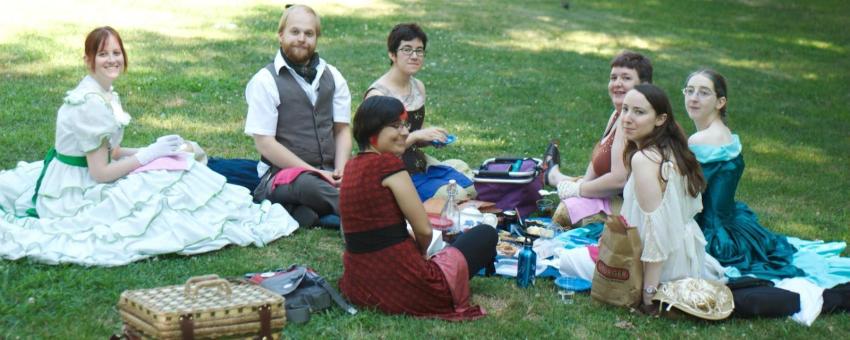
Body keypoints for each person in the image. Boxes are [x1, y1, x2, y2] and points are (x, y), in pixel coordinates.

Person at [0, 26, 298, 266]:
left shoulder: (103, 93)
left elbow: (112, 152)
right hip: (76, 191)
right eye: (103, 54)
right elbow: (101, 172)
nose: (112, 60)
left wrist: (160, 148)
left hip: (89, 172)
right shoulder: (89, 104)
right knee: (163, 188)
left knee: (178, 165)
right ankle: (269, 192)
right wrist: (147, 156)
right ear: (88, 59)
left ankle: (267, 188)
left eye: (117, 52)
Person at [338, 96, 497, 320]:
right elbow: (424, 230)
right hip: (404, 285)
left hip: (360, 284)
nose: (404, 132)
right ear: (372, 131)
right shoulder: (388, 164)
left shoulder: (351, 166)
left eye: (404, 124)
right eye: (395, 126)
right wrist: (420, 253)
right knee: (485, 234)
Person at [684, 69, 803, 279]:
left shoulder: (700, 140)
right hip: (730, 222)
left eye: (703, 92)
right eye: (690, 91)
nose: (693, 98)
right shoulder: (725, 133)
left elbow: (689, 194)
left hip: (711, 233)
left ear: (720, 102)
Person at [618, 84, 724, 310]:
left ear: (660, 119)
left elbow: (655, 231)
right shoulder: (672, 148)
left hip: (662, 268)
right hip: (686, 255)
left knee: (570, 261)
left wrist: (649, 294)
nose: (627, 118)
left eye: (639, 112)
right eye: (625, 109)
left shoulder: (644, 159)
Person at [244, 4, 351, 228]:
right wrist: (315, 172)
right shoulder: (265, 80)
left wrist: (341, 171)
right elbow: (265, 144)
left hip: (329, 173)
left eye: (309, 33)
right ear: (280, 35)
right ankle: (360, 216)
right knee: (308, 186)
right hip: (282, 176)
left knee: (369, 174)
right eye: (295, 32)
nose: (302, 38)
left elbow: (342, 130)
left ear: (316, 38)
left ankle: (299, 211)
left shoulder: (333, 75)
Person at [365, 23, 474, 201]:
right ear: (392, 54)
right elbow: (378, 151)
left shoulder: (418, 86)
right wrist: (416, 136)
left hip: (418, 162)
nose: (414, 56)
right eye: (407, 49)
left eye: (419, 50)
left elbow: (416, 133)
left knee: (470, 187)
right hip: (392, 171)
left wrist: (430, 138)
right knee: (458, 195)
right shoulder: (378, 95)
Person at [543, 51, 653, 226]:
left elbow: (619, 180)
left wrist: (579, 189)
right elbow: (595, 166)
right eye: (613, 77)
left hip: (630, 207)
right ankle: (553, 175)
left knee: (566, 210)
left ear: (644, 85)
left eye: (626, 78)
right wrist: (581, 187)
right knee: (575, 193)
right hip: (611, 195)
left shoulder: (633, 123)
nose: (617, 83)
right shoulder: (616, 115)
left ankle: (553, 176)